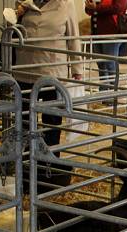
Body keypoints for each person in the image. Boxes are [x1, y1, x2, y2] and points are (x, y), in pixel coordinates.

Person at [14, 0, 82, 155]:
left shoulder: (66, 4)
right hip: (25, 70)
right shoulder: (25, 2)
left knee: (51, 119)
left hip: (52, 72)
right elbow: (13, 29)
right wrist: (17, 14)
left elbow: (73, 37)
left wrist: (77, 69)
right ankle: (24, 159)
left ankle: (49, 161)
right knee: (25, 118)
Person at [85, 0, 127, 90]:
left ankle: (114, 92)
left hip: (112, 33)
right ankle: (104, 92)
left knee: (110, 64)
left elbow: (118, 8)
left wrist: (96, 8)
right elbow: (89, 10)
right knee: (101, 64)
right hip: (97, 32)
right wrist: (89, 7)